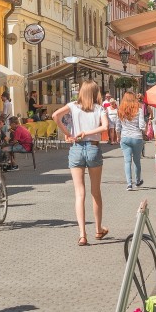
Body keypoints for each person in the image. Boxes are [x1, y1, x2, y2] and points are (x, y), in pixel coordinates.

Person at [53, 80, 109, 246]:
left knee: (79, 193)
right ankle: (98, 229)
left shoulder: (72, 106)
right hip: (93, 148)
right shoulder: (100, 108)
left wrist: (68, 133)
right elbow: (105, 127)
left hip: (76, 148)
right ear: (95, 92)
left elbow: (55, 116)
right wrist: (87, 133)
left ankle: (82, 234)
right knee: (96, 192)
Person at [118, 92, 147, 190]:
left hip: (125, 137)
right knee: (137, 161)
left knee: (127, 161)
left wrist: (118, 136)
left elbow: (118, 126)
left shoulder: (120, 111)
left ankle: (129, 184)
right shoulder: (139, 110)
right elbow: (142, 125)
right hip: (136, 137)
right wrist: (145, 130)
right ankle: (138, 181)